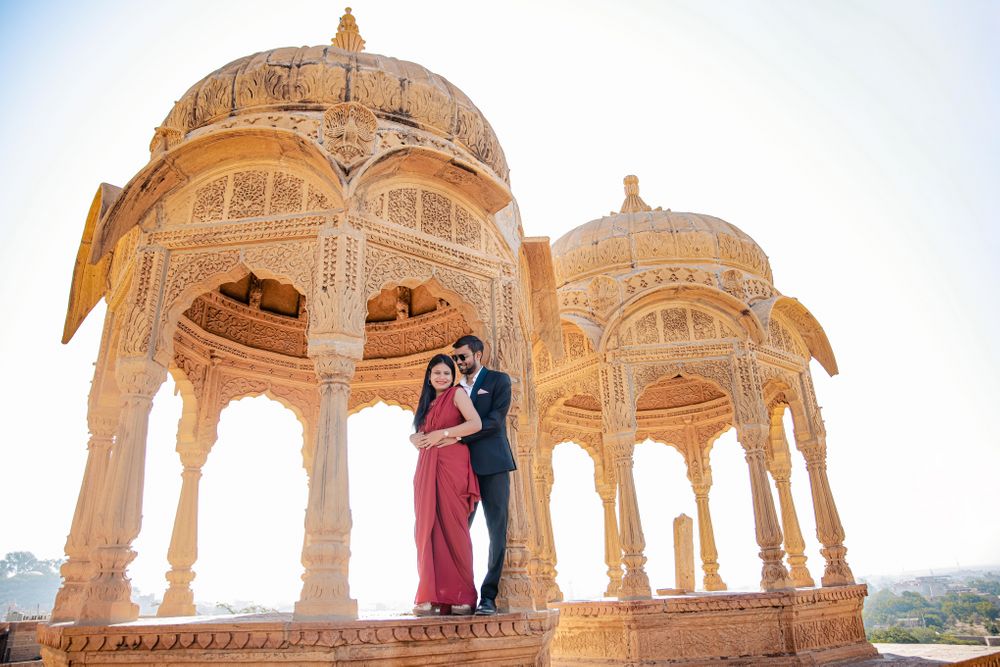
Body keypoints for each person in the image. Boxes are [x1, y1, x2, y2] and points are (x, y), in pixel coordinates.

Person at [409, 353, 483, 616]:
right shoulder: (428, 404)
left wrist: (446, 433)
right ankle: (429, 596)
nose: (442, 377)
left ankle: (462, 594)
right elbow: (424, 434)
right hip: (427, 467)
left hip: (452, 466)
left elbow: (475, 423)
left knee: (454, 528)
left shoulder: (457, 394)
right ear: (429, 377)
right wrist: (414, 437)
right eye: (437, 373)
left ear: (453, 377)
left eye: (447, 373)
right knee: (426, 529)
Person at [450, 334, 516, 616]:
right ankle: (460, 594)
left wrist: (458, 438)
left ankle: (488, 597)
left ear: (479, 354)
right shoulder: (454, 389)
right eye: (456, 358)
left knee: (496, 531)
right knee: (458, 530)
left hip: (494, 466)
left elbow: (494, 422)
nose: (459, 362)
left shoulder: (499, 381)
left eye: (462, 356)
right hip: (462, 469)